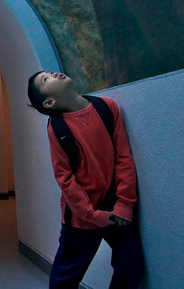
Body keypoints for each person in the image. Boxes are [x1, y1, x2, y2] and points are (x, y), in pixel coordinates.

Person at [27, 70, 145, 289]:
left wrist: (124, 203)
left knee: (131, 264)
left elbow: (123, 157)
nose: (53, 74)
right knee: (65, 277)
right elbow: (65, 179)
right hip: (81, 216)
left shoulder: (107, 107)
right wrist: (92, 215)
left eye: (49, 73)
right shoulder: (58, 128)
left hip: (117, 210)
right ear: (50, 102)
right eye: (46, 79)